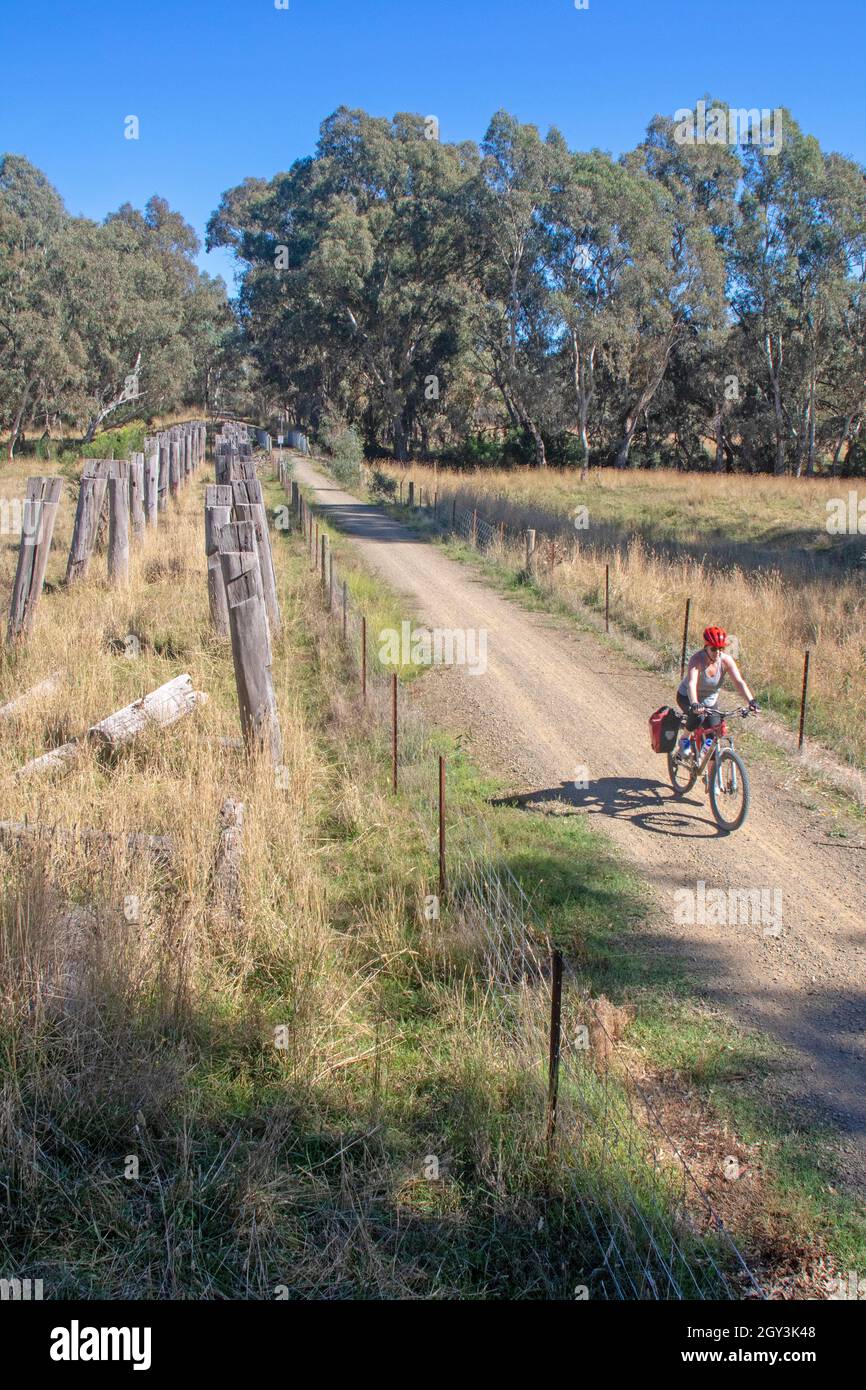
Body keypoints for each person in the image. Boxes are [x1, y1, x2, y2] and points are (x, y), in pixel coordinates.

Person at [676, 626, 758, 738]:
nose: (718, 652)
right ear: (706, 648)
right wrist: (694, 702)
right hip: (687, 697)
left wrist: (751, 701)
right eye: (714, 649)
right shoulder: (697, 660)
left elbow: (739, 682)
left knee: (714, 735)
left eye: (721, 648)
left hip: (709, 702)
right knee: (698, 717)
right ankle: (684, 739)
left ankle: (706, 754)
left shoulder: (726, 661)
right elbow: (692, 683)